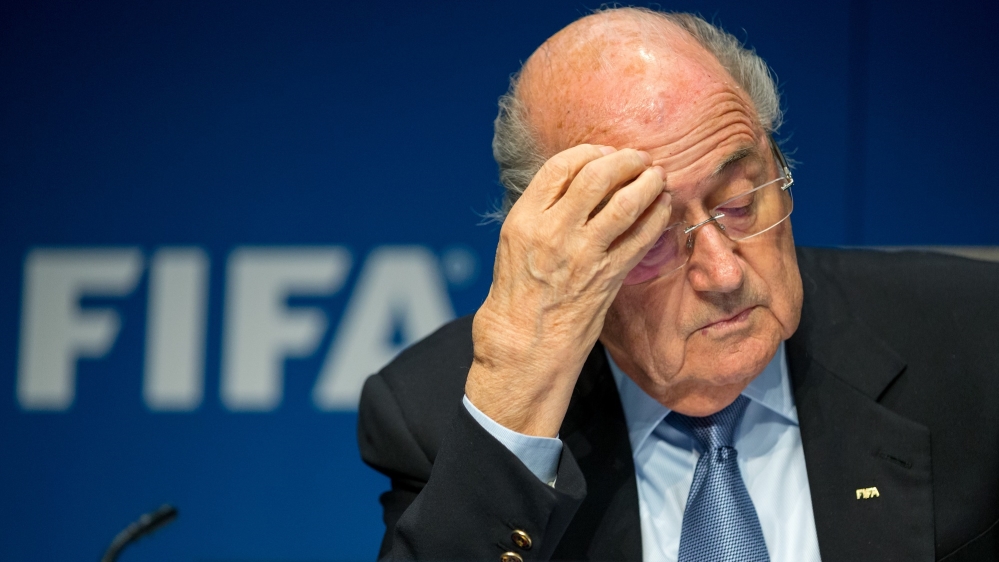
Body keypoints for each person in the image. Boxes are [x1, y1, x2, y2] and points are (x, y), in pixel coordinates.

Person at [357, 7, 999, 562]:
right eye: (652, 237)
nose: (723, 272)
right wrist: (519, 401)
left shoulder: (976, 337)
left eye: (740, 203)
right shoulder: (446, 417)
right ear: (557, 247)